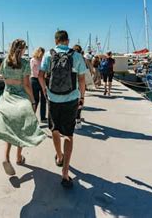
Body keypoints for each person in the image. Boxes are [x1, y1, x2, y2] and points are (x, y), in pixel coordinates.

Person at [0, 39, 46, 176]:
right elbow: (26, 85)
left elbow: (5, 82)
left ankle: (6, 157)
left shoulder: (5, 62)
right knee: (22, 128)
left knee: (9, 130)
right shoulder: (24, 63)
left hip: (7, 97)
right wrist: (33, 100)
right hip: (20, 99)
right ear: (21, 49)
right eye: (24, 48)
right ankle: (18, 157)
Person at [38, 30, 86, 189]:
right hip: (71, 99)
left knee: (55, 129)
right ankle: (65, 174)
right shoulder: (77, 56)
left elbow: (40, 75)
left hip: (53, 98)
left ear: (56, 40)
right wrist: (82, 97)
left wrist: (45, 91)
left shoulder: (48, 55)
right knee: (69, 135)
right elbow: (81, 79)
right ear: (67, 40)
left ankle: (59, 156)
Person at [30, 47, 47, 122]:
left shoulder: (34, 60)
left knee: (40, 99)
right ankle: (37, 117)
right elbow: (37, 72)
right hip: (37, 79)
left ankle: (39, 117)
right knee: (38, 99)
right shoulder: (36, 60)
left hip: (36, 79)